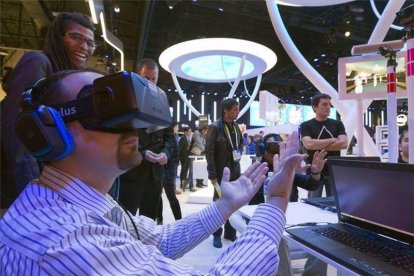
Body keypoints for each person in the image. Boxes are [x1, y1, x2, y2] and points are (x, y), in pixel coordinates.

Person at [0, 69, 305, 274]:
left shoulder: (79, 205)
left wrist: (225, 205)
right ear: (49, 132)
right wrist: (276, 202)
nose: (133, 125)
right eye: (102, 108)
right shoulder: (64, 240)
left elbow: (158, 239)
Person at [0, 12, 96, 209]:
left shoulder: (63, 78)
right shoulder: (38, 63)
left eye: (90, 43)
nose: (84, 47)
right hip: (16, 193)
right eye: (76, 37)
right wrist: (36, 200)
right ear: (58, 37)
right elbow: (20, 134)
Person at [118, 58, 176, 219]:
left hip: (155, 176)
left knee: (149, 220)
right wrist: (142, 153)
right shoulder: (126, 101)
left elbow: (170, 138)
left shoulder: (162, 103)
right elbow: (120, 136)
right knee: (126, 220)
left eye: (154, 79)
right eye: (146, 78)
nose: (150, 82)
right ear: (137, 76)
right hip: (131, 174)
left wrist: (166, 153)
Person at [206, 98, 243, 248]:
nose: (237, 112)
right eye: (234, 109)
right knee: (219, 203)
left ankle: (230, 232)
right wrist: (213, 174)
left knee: (233, 202)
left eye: (237, 109)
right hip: (220, 174)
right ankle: (216, 234)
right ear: (225, 111)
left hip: (235, 171)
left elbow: (240, 146)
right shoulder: (215, 127)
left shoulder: (236, 127)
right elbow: (209, 152)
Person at [249, 133, 327, 205]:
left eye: (278, 148)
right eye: (270, 147)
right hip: (264, 213)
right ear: (263, 150)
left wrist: (315, 172)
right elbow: (252, 204)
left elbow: (311, 185)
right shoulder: (257, 172)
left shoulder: (287, 168)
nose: (275, 153)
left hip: (289, 212)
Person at [300, 93, 348, 198]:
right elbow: (308, 144)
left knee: (335, 204)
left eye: (329, 105)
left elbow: (344, 144)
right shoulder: (306, 125)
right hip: (314, 172)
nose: (328, 107)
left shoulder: (338, 124)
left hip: (334, 170)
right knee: (312, 203)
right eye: (324, 104)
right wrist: (332, 140)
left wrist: (316, 144)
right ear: (315, 107)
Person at [156, 122, 182, 225]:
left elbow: (175, 156)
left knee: (171, 196)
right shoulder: (168, 137)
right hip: (158, 169)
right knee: (158, 196)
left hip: (168, 171)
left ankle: (179, 221)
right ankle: (159, 219)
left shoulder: (173, 138)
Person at [178, 127, 196, 192]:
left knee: (185, 172)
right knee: (183, 172)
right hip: (184, 158)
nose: (190, 133)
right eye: (189, 131)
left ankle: (183, 186)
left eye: (191, 131)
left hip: (186, 158)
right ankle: (182, 186)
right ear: (185, 131)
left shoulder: (185, 138)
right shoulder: (183, 138)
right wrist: (179, 158)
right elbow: (179, 149)